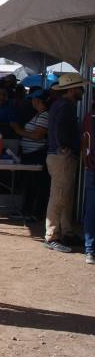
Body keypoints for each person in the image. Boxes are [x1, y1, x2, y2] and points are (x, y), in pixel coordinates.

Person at [44, 72, 86, 253]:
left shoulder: (60, 105)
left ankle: (66, 232)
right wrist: (65, 147)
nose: (82, 91)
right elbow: (61, 131)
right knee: (60, 197)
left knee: (64, 197)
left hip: (58, 156)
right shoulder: (66, 107)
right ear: (71, 90)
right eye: (79, 88)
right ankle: (52, 235)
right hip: (61, 157)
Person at [10, 89, 50, 220]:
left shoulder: (44, 115)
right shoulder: (38, 115)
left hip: (37, 154)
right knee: (30, 185)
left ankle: (35, 213)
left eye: (32, 99)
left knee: (36, 186)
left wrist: (18, 130)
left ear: (37, 100)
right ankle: (28, 211)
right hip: (30, 154)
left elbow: (38, 135)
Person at [82, 101, 95, 265]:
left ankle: (90, 250)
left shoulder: (88, 117)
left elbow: (84, 140)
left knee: (91, 210)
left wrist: (86, 161)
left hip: (91, 168)